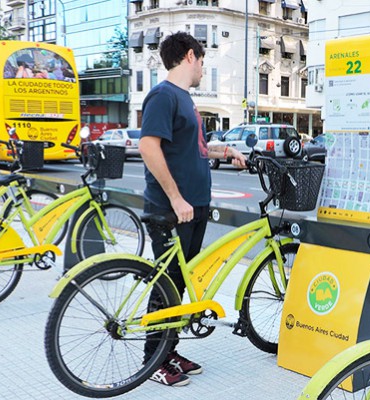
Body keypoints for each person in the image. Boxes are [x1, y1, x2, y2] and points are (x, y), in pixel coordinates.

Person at [138, 32, 246, 388]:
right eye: (202, 61)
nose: (203, 68)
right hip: (173, 210)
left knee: (180, 284)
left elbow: (194, 148)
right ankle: (152, 359)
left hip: (194, 207)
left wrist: (225, 152)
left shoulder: (184, 100)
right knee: (166, 285)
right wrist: (176, 198)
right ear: (189, 57)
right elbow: (148, 147)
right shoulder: (163, 95)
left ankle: (169, 350)